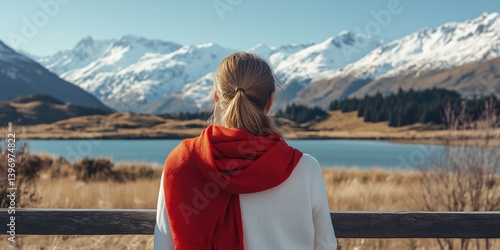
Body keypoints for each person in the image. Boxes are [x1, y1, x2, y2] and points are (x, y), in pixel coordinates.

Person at [154, 52, 337, 249]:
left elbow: (163, 245)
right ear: (270, 101)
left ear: (216, 98)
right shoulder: (305, 168)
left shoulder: (180, 163)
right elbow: (325, 245)